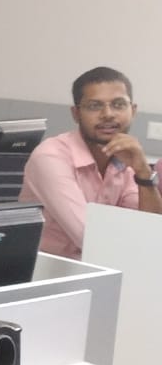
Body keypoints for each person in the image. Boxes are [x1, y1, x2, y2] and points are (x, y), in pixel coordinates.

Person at [18, 67, 162, 259]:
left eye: (118, 105)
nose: (108, 114)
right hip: (50, 274)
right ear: (76, 113)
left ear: (133, 111)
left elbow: (149, 231)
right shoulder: (50, 157)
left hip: (106, 266)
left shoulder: (124, 156)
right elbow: (89, 238)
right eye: (94, 106)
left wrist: (143, 173)